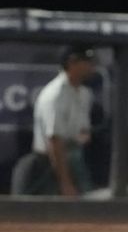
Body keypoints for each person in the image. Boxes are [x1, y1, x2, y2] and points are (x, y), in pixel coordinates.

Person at [11, 46, 95, 196]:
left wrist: (79, 138)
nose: (91, 66)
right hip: (48, 163)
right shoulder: (54, 94)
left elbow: (83, 131)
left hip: (75, 159)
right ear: (72, 63)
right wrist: (65, 183)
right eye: (87, 62)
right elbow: (54, 141)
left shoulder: (85, 93)